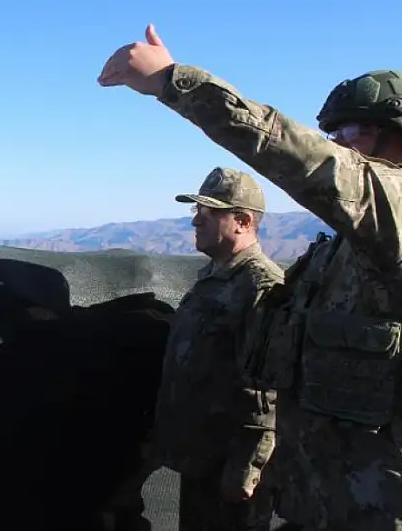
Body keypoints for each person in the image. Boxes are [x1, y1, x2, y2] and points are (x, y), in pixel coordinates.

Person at [98, 24, 402, 530]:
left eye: (351, 132)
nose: (338, 143)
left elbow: (315, 164)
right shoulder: (342, 255)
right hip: (317, 501)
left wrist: (175, 82)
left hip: (381, 509)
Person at [146, 166, 285, 530]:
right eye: (195, 213)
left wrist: (248, 467)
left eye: (208, 214)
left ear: (242, 220)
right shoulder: (211, 276)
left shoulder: (262, 287)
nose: (196, 222)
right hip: (199, 458)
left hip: (231, 467)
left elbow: (270, 387)